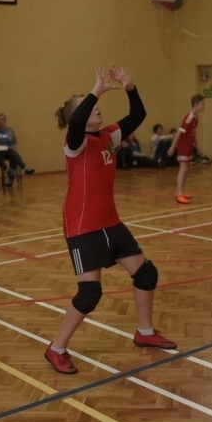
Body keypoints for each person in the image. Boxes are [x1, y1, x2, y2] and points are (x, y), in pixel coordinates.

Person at [46, 65, 176, 375]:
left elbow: (138, 116)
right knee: (90, 294)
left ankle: (144, 333)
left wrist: (130, 87)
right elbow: (76, 121)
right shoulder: (74, 144)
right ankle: (56, 348)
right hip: (82, 227)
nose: (96, 108)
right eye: (89, 106)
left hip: (110, 222)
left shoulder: (108, 136)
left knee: (146, 274)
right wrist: (97, 89)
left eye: (95, 104)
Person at [167, 94, 206, 204]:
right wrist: (172, 147)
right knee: (183, 169)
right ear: (196, 104)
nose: (204, 106)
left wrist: (197, 145)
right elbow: (179, 132)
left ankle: (181, 191)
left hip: (189, 146)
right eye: (202, 104)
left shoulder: (196, 117)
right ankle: (179, 193)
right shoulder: (189, 117)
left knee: (187, 169)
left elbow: (193, 134)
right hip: (183, 146)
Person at [0, 113, 35, 187]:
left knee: (13, 157)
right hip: (1, 151)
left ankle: (11, 180)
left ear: (5, 120)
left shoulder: (10, 129)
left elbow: (15, 141)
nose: (1, 121)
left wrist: (13, 146)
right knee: (12, 153)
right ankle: (24, 168)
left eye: (3, 119)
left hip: (10, 151)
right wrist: (8, 148)